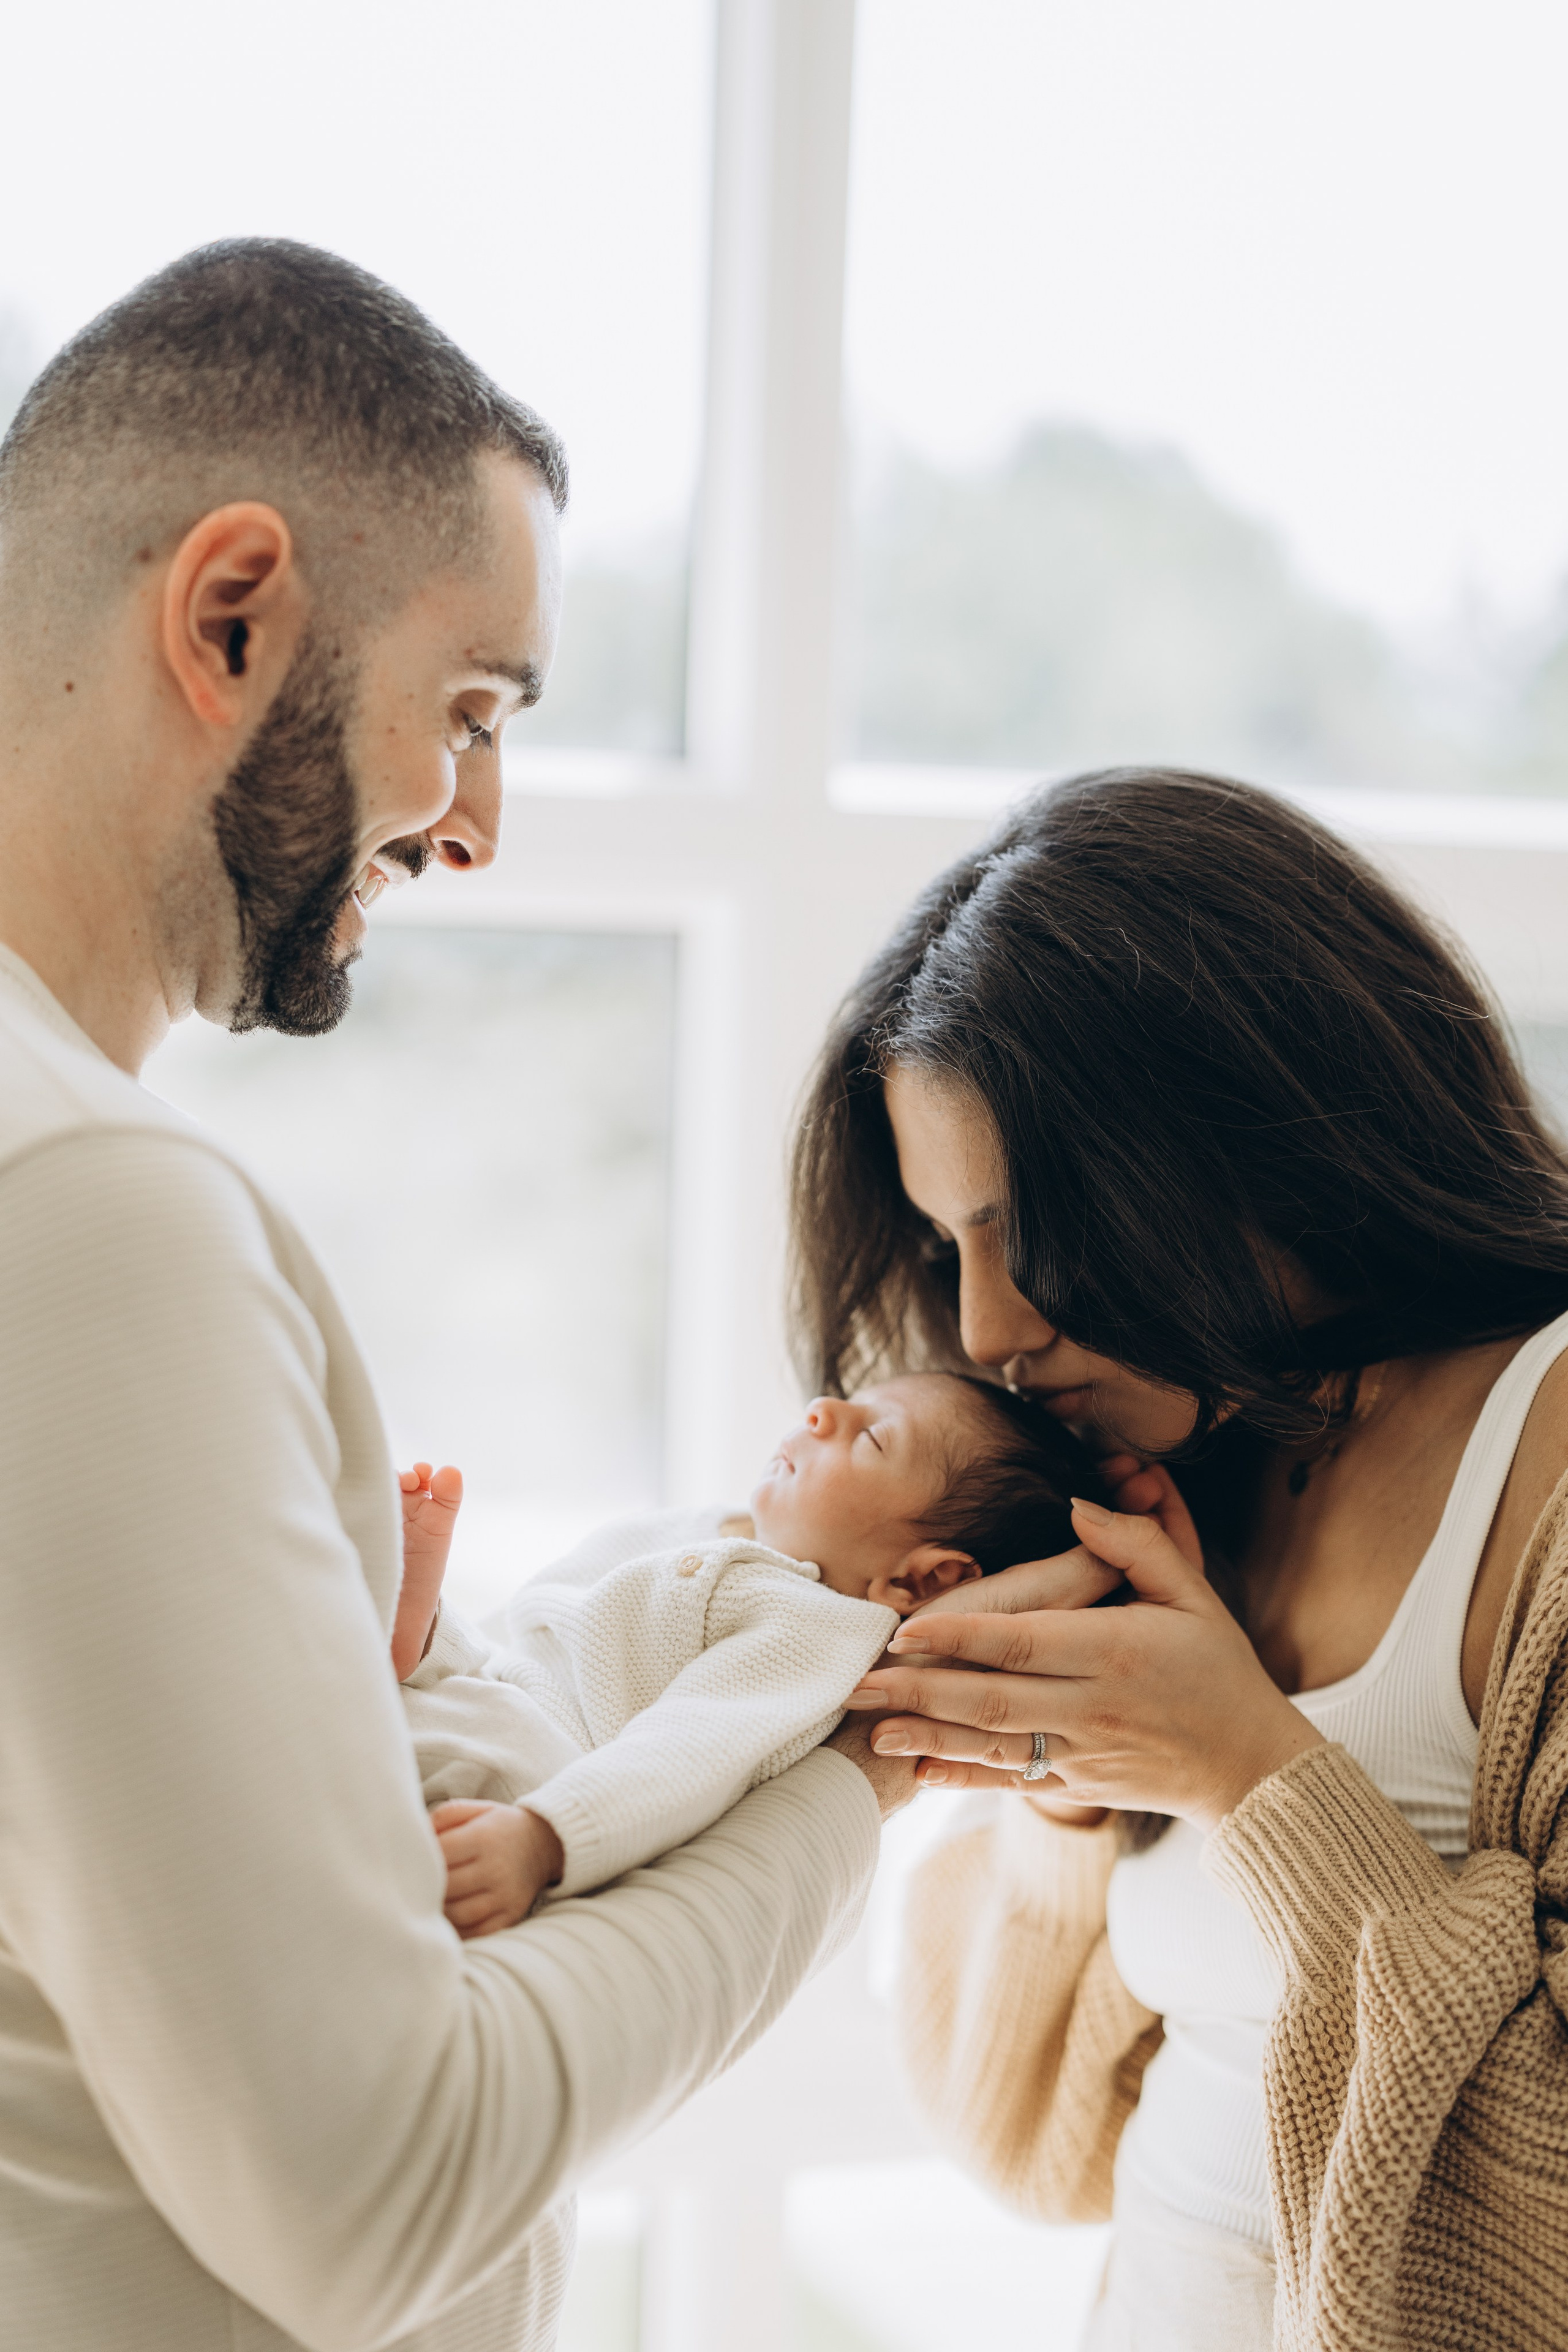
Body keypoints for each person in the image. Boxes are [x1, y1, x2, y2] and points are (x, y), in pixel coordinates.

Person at [0, 239, 911, 2352]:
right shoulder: (92, 1214)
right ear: (234, 618)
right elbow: (378, 2194)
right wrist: (856, 1775)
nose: (477, 824)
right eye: (473, 709)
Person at [790, 767, 1568, 2352]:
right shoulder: (1174, 1490)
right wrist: (1077, 1802)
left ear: (1256, 1144)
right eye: (952, 1250)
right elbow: (1033, 2143)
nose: (993, 1329)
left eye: (1037, 1231)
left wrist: (1252, 1778)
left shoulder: (1540, 1466)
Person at [390, 1374, 1099, 1936]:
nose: (822, 1410)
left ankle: (413, 1639)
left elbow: (689, 1753)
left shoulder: (814, 1631)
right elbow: (542, 1623)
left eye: (872, 1439)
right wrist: (448, 1646)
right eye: (847, 1401)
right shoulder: (715, 1529)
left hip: (544, 1769)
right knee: (451, 1674)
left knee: (447, 1737)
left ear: (923, 1579)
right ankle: (418, 1632)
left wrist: (544, 1838)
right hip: (501, 1681)